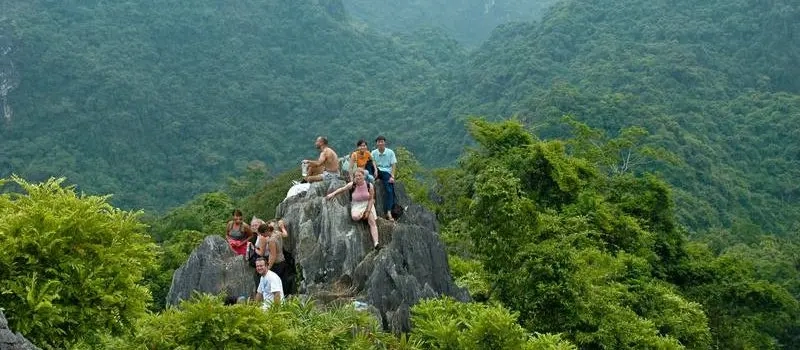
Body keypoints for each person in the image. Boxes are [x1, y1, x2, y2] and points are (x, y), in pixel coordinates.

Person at [325, 170, 381, 250]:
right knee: (355, 217)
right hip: (357, 205)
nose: (358, 177)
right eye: (356, 176)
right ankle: (363, 216)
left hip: (367, 204)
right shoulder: (352, 185)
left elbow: (371, 199)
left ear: (364, 176)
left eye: (359, 175)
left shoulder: (369, 185)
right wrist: (332, 194)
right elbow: (342, 189)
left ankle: (376, 243)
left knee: (372, 222)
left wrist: (368, 211)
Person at [371, 135, 397, 221]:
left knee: (389, 190)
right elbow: (372, 162)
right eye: (379, 142)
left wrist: (392, 176)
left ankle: (388, 211)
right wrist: (375, 170)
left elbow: (393, 164)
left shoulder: (390, 152)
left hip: (386, 172)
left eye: (382, 141)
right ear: (376, 143)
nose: (380, 143)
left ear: (384, 143)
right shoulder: (374, 152)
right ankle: (388, 212)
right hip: (377, 171)